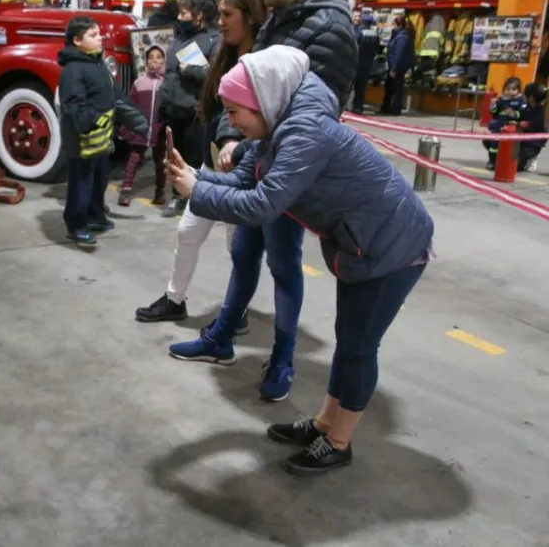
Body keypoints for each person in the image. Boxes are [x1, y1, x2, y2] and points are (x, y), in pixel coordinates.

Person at [166, 45, 434, 475]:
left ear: (261, 102)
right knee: (348, 338)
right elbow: (242, 178)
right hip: (362, 241)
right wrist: (196, 177)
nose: (230, 123)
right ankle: (325, 424)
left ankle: (339, 442)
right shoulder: (276, 125)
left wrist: (196, 193)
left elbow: (261, 205)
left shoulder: (305, 132)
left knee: (359, 346)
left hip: (391, 246)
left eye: (235, 112)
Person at [171, 0, 359, 401]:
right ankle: (222, 338)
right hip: (261, 155)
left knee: (283, 261)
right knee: (243, 252)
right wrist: (236, 136)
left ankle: (283, 357)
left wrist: (211, 178)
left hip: (288, 169)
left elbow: (310, 116)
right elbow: (254, 94)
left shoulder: (328, 28)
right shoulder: (286, 19)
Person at [135, 0, 263, 324]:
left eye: (226, 14)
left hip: (242, 168)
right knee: (187, 232)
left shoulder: (264, 61)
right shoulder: (222, 53)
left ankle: (239, 311)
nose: (218, 21)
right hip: (212, 161)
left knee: (237, 247)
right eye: (218, 13)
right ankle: (175, 299)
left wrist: (238, 146)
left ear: (249, 17)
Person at [58, 16, 149, 248]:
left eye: (99, 34)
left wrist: (134, 120)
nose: (101, 39)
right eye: (93, 35)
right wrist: (92, 122)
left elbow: (114, 96)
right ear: (77, 41)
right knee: (81, 182)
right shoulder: (72, 70)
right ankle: (76, 225)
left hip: (101, 137)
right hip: (82, 139)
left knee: (99, 178)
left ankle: (95, 215)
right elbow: (73, 106)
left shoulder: (97, 64)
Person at [159, 0, 221, 217]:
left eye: (184, 12)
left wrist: (192, 71)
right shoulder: (179, 39)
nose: (179, 17)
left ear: (199, 15)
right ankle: (178, 198)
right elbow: (170, 74)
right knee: (175, 156)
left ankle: (194, 200)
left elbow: (216, 76)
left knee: (194, 160)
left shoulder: (214, 40)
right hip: (174, 110)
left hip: (195, 113)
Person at [118, 45, 166, 207]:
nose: (155, 61)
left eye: (159, 57)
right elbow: (131, 105)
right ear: (145, 62)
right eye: (151, 57)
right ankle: (125, 191)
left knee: (160, 162)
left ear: (164, 61)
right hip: (141, 129)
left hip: (159, 131)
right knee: (133, 159)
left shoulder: (166, 84)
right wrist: (127, 126)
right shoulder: (139, 82)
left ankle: (159, 193)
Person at [483, 76, 526, 169]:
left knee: (504, 145)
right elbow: (494, 113)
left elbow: (522, 114)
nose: (510, 91)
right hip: (499, 125)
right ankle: (492, 161)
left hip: (512, 127)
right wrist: (492, 105)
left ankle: (507, 161)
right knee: (491, 141)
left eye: (514, 89)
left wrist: (513, 114)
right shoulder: (501, 99)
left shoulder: (521, 100)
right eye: (508, 89)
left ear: (518, 90)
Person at [380, 15, 415, 115]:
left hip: (397, 68)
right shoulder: (399, 35)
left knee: (396, 88)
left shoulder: (402, 37)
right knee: (390, 87)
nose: (392, 27)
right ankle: (387, 107)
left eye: (393, 24)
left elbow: (398, 53)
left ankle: (395, 109)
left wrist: (393, 69)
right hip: (394, 67)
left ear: (398, 25)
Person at [352, 11, 380, 114]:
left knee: (351, 86)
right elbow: (377, 49)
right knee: (362, 88)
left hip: (356, 63)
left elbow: (353, 46)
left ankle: (349, 108)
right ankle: (358, 108)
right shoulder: (375, 33)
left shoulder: (358, 32)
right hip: (368, 64)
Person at [519, 82, 547, 172]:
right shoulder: (525, 107)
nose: (523, 96)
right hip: (521, 141)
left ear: (531, 98)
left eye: (524, 95)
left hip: (533, 144)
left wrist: (524, 125)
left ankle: (532, 157)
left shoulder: (542, 112)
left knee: (515, 165)